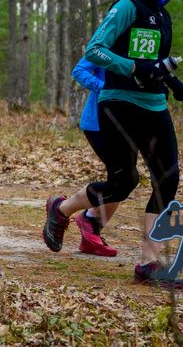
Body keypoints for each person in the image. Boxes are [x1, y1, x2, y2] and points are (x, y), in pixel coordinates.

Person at [43, 0, 183, 286]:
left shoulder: (162, 13)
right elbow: (95, 49)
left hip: (154, 105)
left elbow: (151, 59)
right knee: (124, 181)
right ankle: (62, 209)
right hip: (118, 103)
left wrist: (169, 78)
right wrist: (132, 67)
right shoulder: (126, 7)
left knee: (168, 178)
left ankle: (149, 263)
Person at [70, 56, 119, 257]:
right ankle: (87, 219)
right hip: (98, 122)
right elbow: (79, 70)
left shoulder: (140, 44)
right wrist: (104, 87)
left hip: (127, 124)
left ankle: (91, 227)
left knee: (125, 179)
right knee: (122, 177)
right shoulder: (108, 41)